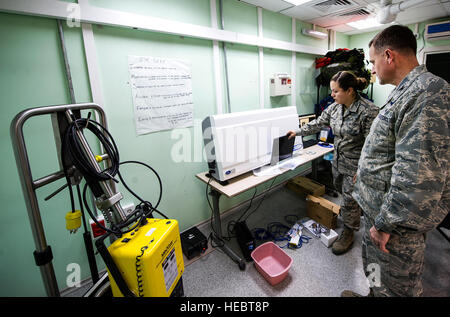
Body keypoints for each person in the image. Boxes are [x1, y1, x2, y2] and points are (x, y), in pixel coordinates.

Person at [343, 25, 449, 297]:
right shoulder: (406, 91)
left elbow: (417, 176)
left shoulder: (426, 93)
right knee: (376, 272)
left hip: (395, 226)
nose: (372, 69)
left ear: (389, 56)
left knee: (396, 288)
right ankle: (373, 293)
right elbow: (390, 151)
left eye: (372, 61)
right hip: (377, 210)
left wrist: (386, 223)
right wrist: (363, 173)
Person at [287, 71, 379, 255]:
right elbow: (318, 123)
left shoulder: (369, 111)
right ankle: (353, 214)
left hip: (356, 166)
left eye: (336, 91)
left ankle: (348, 232)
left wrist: (362, 170)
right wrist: (296, 132)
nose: (332, 95)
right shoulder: (335, 108)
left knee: (348, 200)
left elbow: (373, 146)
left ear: (350, 90)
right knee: (342, 193)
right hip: (337, 162)